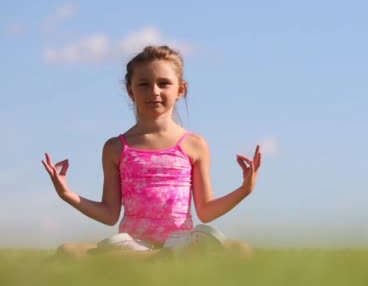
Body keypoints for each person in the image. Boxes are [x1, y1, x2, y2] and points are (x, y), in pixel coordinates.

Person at [41, 45, 262, 258]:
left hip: (182, 242)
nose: (154, 91)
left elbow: (205, 211)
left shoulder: (194, 144)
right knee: (67, 251)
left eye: (164, 83)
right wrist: (67, 195)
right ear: (130, 91)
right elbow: (109, 214)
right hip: (132, 246)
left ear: (180, 90)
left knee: (241, 249)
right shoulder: (115, 148)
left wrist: (245, 189)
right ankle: (161, 258)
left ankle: (164, 256)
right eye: (144, 84)